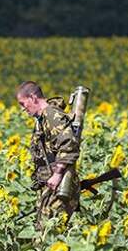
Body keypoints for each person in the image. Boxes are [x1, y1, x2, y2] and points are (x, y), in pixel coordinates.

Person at [16, 81, 80, 235]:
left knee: (49, 234)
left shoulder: (52, 115)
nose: (22, 108)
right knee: (45, 232)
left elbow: (68, 144)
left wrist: (58, 174)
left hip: (60, 184)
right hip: (50, 186)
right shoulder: (42, 119)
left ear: (33, 98)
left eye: (23, 103)